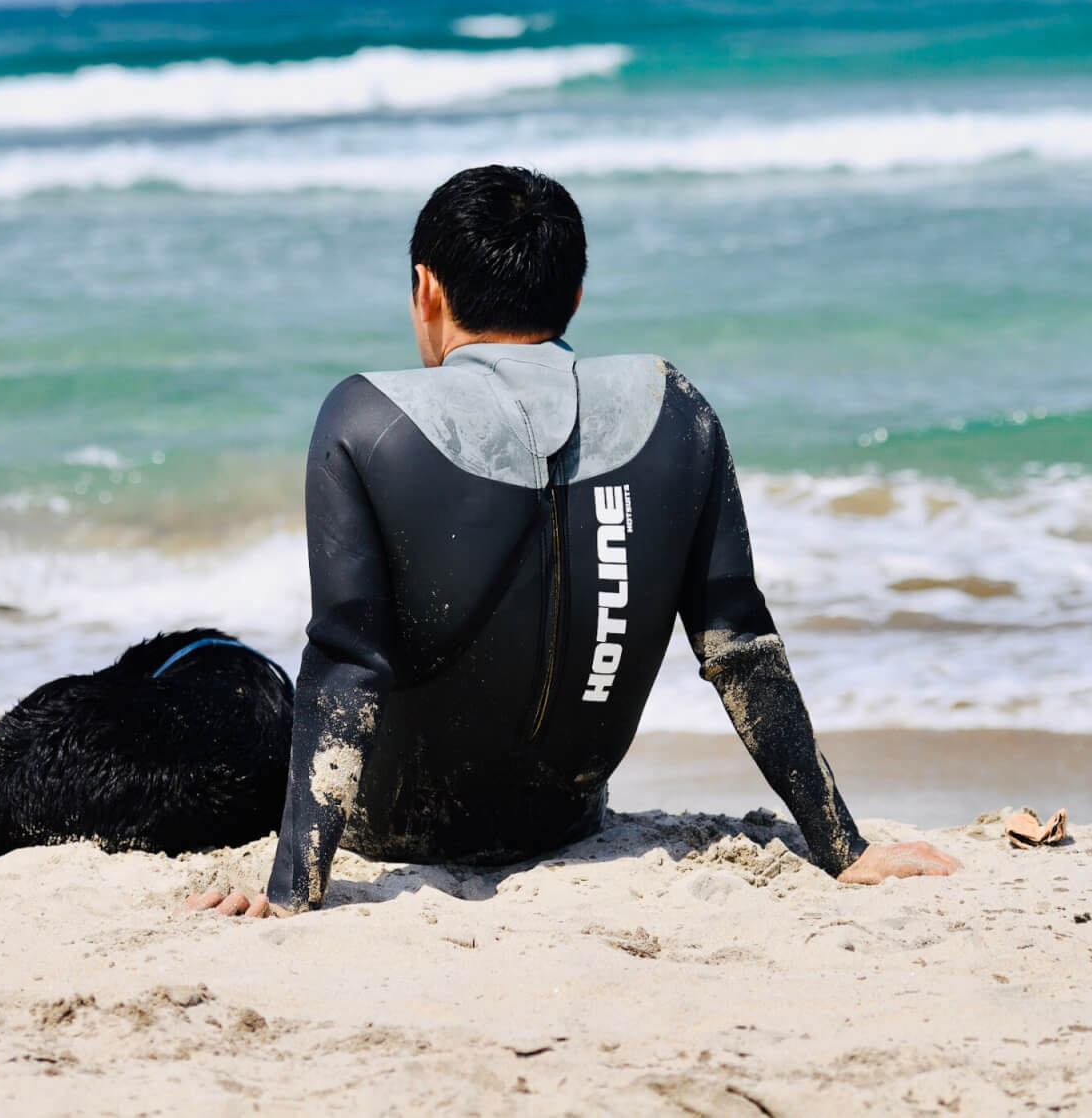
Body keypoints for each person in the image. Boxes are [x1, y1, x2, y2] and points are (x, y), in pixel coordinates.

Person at [191, 166, 958, 917]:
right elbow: (740, 647)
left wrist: (294, 892)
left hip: (396, 833)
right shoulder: (675, 409)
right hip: (562, 824)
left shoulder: (366, 417)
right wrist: (843, 847)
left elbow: (347, 661)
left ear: (426, 288)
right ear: (576, 294)